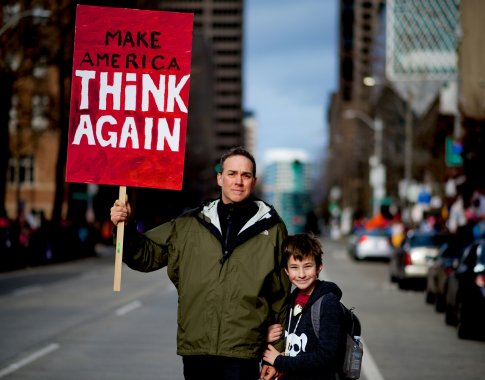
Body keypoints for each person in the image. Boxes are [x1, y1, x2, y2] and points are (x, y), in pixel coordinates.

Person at [110, 146, 290, 380]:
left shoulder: (273, 228)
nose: (238, 181)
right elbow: (144, 256)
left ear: (253, 181)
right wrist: (124, 227)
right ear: (220, 178)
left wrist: (276, 353)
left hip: (243, 350)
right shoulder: (188, 224)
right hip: (197, 348)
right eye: (232, 174)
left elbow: (281, 296)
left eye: (245, 175)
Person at [262, 234, 345, 380]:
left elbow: (327, 356)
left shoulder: (327, 302)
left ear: (319, 267)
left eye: (307, 266)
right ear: (286, 271)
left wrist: (280, 362)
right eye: (294, 267)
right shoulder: (289, 301)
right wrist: (265, 337)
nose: (301, 274)